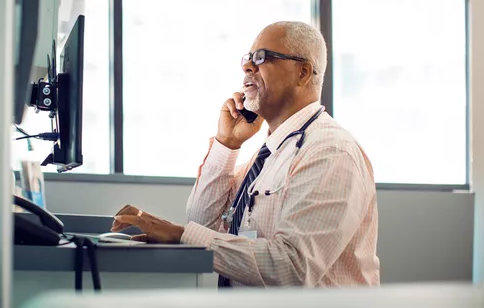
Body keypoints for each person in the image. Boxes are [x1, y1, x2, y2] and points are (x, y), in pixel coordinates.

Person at [111, 21, 380, 287]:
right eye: (248, 58)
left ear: (303, 72)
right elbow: (202, 221)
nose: (247, 67)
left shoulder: (329, 152)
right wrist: (226, 143)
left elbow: (292, 267)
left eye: (261, 57)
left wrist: (181, 235)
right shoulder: (268, 155)